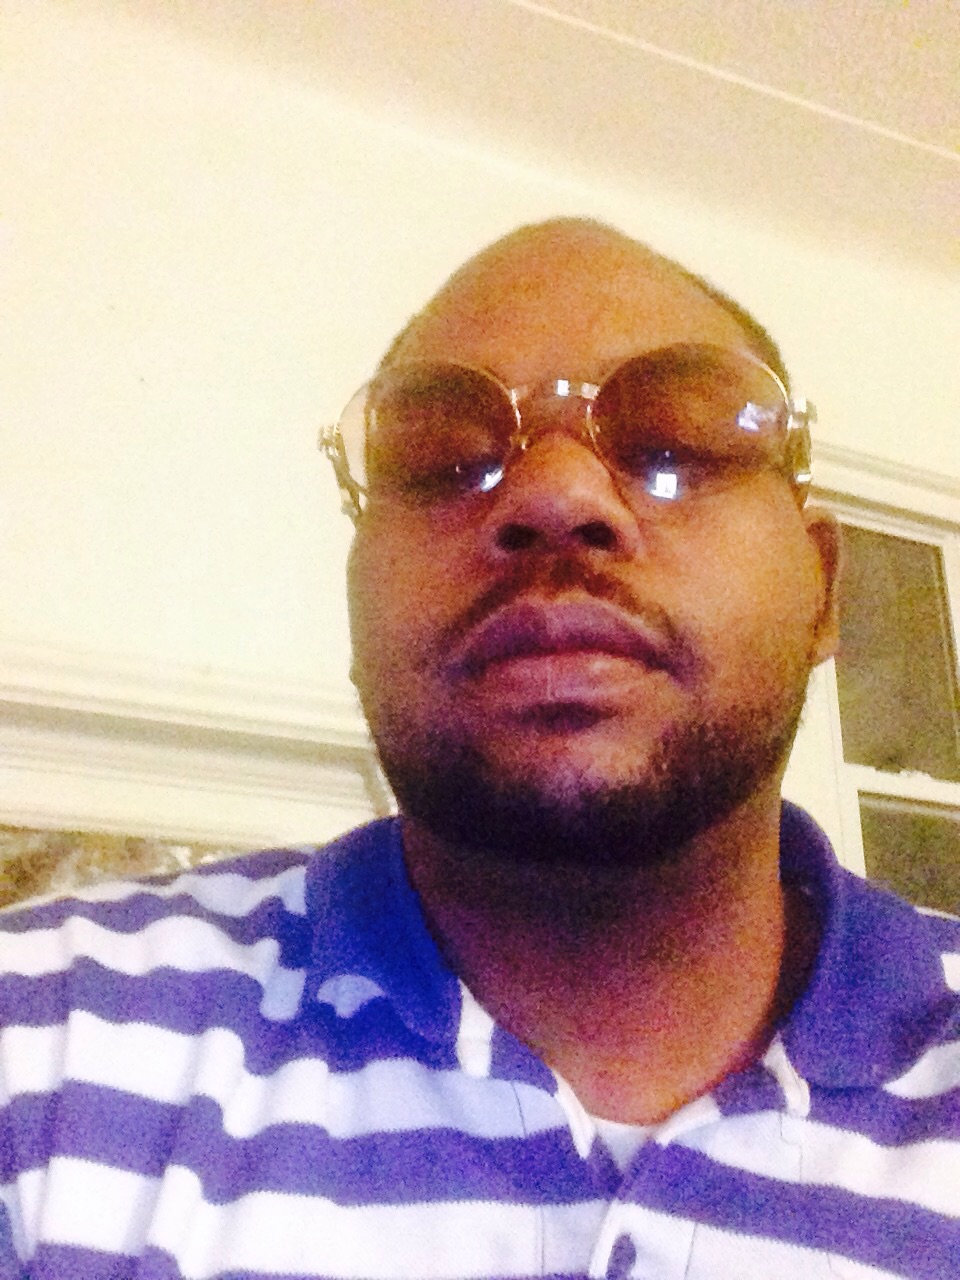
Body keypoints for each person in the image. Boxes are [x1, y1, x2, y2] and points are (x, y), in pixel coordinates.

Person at [1, 219, 957, 1280]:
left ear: (823, 589)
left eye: (676, 444)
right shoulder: (37, 1040)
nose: (557, 495)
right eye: (443, 456)